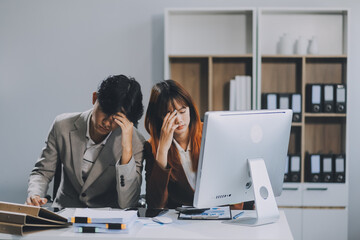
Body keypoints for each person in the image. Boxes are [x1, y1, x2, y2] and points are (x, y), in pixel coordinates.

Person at [26, 74, 145, 209]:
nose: (106, 122)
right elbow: (42, 172)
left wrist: (127, 150)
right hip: (64, 215)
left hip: (108, 219)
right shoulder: (62, 125)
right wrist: (35, 195)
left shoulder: (136, 142)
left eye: (116, 118)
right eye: (105, 111)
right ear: (94, 98)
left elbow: (128, 203)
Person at [143, 80, 203, 209]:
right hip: (178, 223)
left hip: (219, 217)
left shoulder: (209, 133)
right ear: (159, 116)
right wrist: (162, 151)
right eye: (170, 114)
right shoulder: (151, 147)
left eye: (183, 111)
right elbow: (155, 205)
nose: (179, 120)